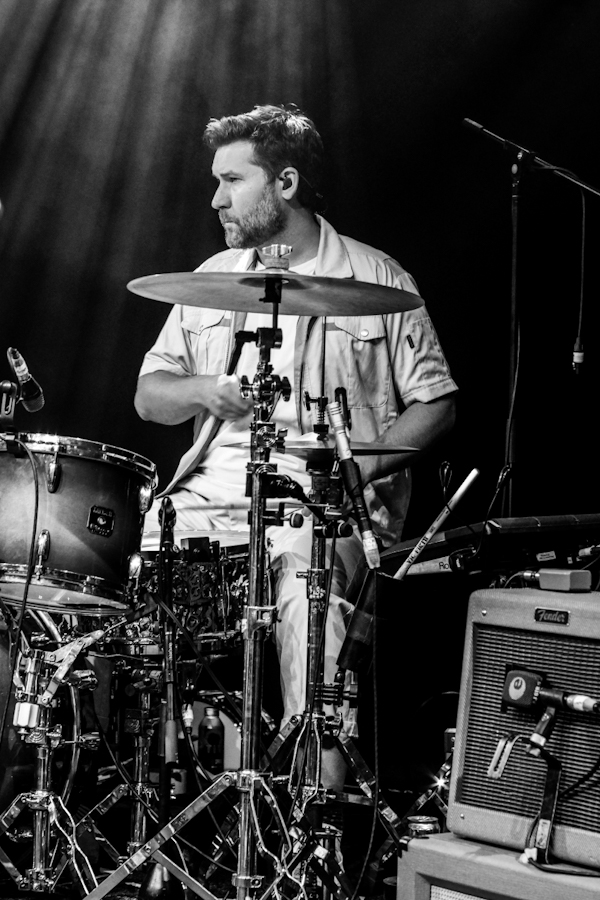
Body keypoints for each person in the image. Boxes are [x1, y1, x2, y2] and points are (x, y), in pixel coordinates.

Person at [134, 104, 457, 790]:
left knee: (302, 580)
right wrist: (205, 390)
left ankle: (317, 804)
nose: (216, 199)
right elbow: (149, 395)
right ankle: (145, 787)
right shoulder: (214, 278)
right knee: (127, 567)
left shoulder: (378, 279)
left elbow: (437, 405)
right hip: (211, 496)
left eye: (232, 180)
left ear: (284, 183)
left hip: (324, 507)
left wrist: (354, 468)